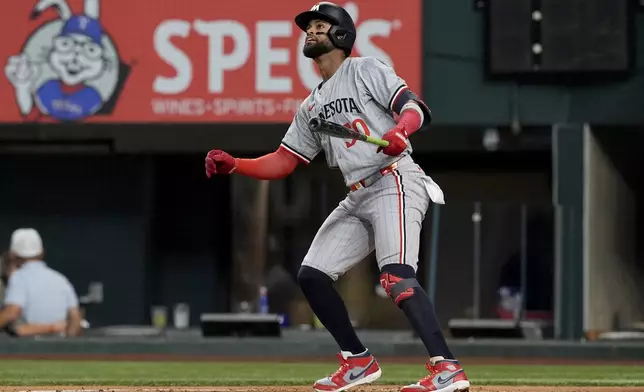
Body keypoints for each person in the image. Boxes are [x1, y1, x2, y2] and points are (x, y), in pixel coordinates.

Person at [205, 3, 470, 392]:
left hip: (394, 178)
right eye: (308, 27)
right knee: (312, 276)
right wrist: (236, 165)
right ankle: (358, 361)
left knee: (396, 277)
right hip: (358, 193)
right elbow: (283, 161)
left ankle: (447, 368)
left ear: (341, 35)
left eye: (319, 25)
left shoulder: (365, 69)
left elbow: (413, 107)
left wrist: (402, 131)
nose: (309, 32)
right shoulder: (311, 105)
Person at [0, 228, 82, 337]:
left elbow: (11, 312)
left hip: (28, 348)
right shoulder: (61, 280)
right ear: (42, 252)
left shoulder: (18, 278)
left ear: (12, 255)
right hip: (59, 347)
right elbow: (75, 318)